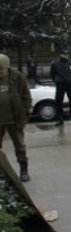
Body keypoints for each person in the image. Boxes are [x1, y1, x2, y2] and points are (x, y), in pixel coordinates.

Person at [0, 54, 32, 182]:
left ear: (7, 67)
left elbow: (26, 97)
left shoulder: (17, 77)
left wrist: (24, 115)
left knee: (19, 146)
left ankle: (23, 170)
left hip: (15, 119)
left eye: (1, 70)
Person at [50, 47, 71, 125]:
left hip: (70, 84)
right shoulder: (55, 63)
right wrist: (56, 80)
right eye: (64, 54)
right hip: (60, 84)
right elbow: (52, 74)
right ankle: (60, 119)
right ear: (61, 55)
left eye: (67, 54)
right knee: (58, 102)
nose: (66, 55)